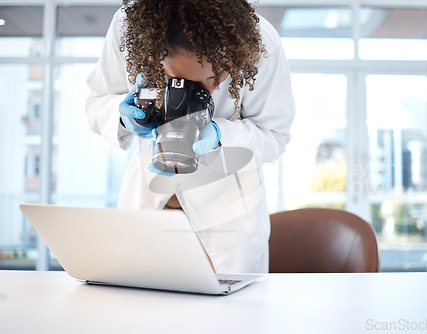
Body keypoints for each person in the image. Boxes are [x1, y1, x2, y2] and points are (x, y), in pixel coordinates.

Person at [85, 0, 295, 273]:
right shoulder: (131, 27)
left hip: (225, 222)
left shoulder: (261, 42)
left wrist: (222, 135)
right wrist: (123, 118)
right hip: (149, 208)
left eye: (215, 77)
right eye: (179, 81)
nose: (202, 91)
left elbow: (275, 134)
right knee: (138, 307)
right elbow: (96, 100)